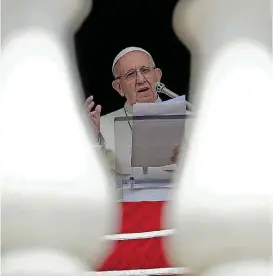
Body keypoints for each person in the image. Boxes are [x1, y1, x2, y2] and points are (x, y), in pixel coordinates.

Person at [84, 47, 182, 190]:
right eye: (130, 74)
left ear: (157, 75)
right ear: (118, 87)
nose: (141, 80)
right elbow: (92, 186)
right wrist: (91, 141)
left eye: (145, 70)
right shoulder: (101, 127)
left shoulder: (189, 120)